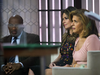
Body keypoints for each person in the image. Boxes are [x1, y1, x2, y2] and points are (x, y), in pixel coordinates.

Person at [28, 6, 78, 75]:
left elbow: (76, 60)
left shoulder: (78, 37)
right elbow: (61, 55)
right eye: (62, 19)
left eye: (66, 18)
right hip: (58, 65)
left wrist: (60, 67)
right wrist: (53, 62)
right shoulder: (65, 36)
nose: (63, 21)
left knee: (45, 72)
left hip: (67, 67)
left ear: (73, 18)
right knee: (33, 69)